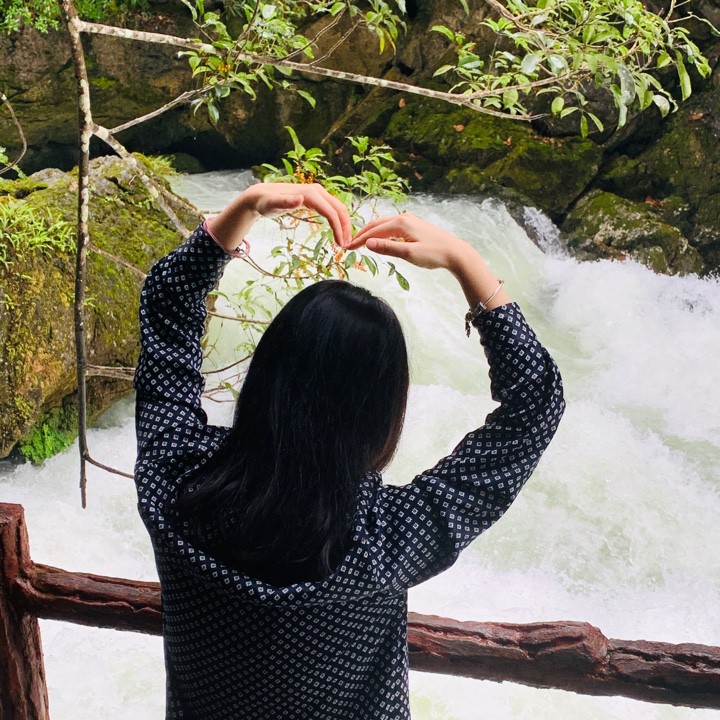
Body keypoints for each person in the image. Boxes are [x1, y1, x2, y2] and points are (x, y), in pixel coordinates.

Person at [134, 182, 564, 720]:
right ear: (381, 416)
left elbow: (168, 303)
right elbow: (535, 406)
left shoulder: (175, 487)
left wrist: (244, 208)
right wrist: (464, 260)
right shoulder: (387, 540)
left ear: (266, 377)